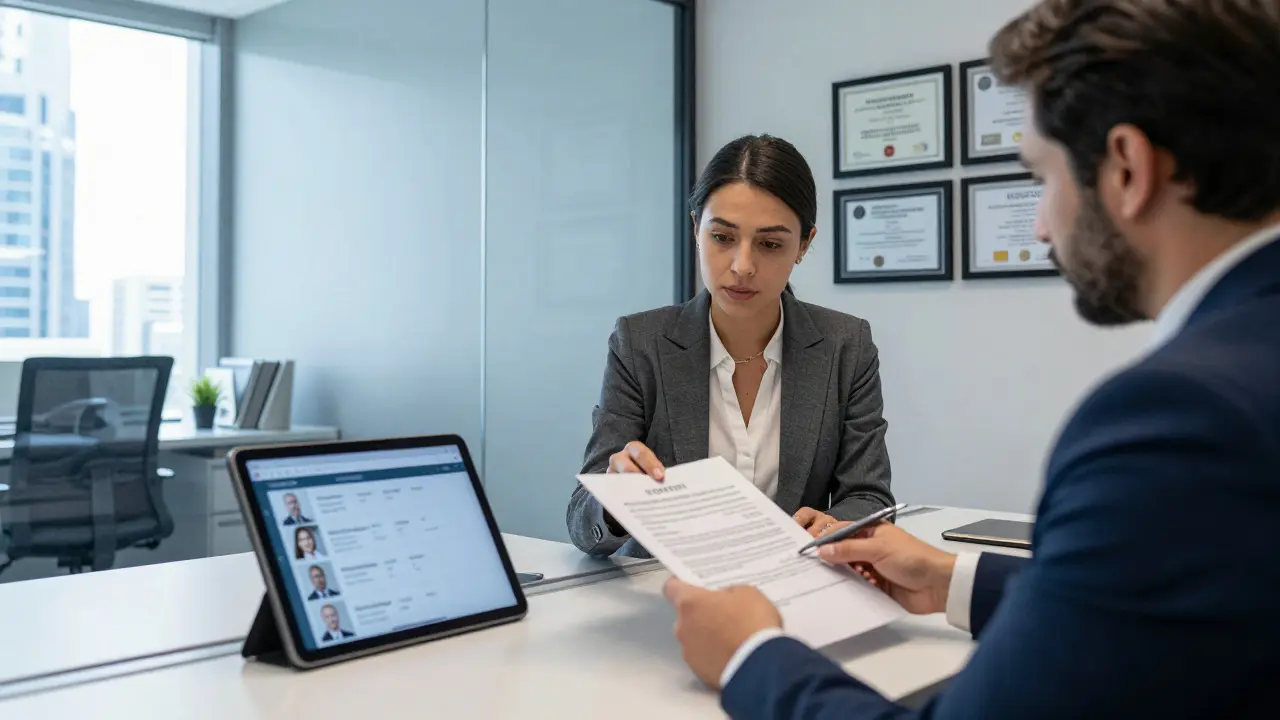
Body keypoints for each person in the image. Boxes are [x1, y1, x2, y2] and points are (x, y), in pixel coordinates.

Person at [663, 0, 1280, 716]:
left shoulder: (1181, 417)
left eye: (1042, 177)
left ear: (1128, 169)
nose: (1043, 227)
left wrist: (749, 656)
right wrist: (954, 578)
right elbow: (1171, 604)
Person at [566, 134, 895, 558]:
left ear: (805, 244)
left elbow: (869, 496)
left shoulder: (845, 347)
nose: (742, 266)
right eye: (722, 237)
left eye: (771, 244)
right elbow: (581, 520)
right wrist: (614, 503)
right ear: (696, 230)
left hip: (795, 592)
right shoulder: (640, 343)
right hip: (669, 599)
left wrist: (838, 524)